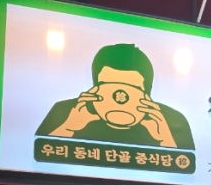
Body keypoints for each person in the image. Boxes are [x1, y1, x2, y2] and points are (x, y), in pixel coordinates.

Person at [37, 43, 194, 149]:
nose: (120, 98)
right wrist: (67, 128)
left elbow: (183, 170)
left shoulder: (171, 120)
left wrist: (165, 140)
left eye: (132, 89)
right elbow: (40, 155)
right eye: (109, 86)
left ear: (147, 95)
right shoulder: (65, 111)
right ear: (94, 89)